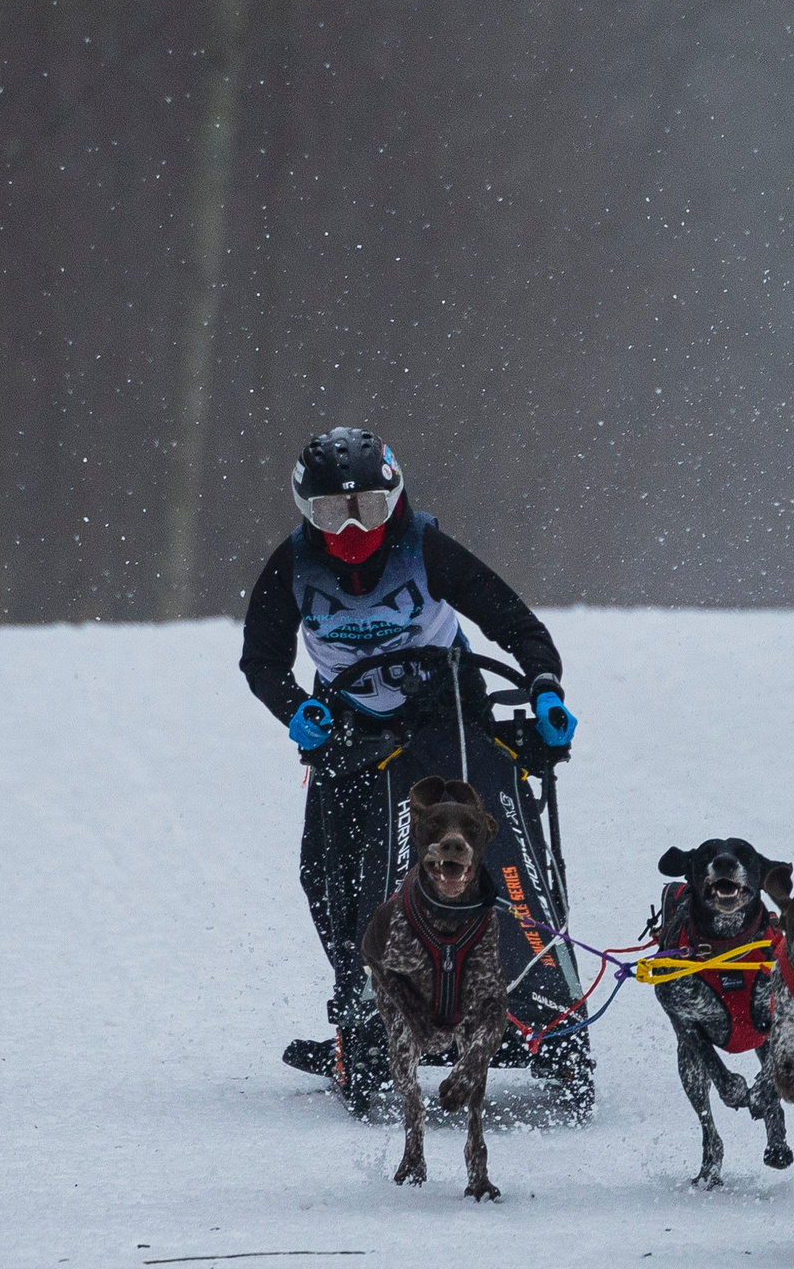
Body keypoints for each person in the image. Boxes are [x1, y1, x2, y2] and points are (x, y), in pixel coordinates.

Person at [240, 427, 576, 1094]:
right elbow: (261, 661)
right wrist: (295, 710)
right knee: (327, 870)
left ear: (394, 495)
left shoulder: (426, 547)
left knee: (481, 855)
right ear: (307, 513)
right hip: (349, 735)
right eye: (333, 513)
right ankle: (359, 1013)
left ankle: (535, 996)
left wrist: (542, 686)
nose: (355, 526)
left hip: (446, 715)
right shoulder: (292, 567)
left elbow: (519, 627)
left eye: (367, 504)